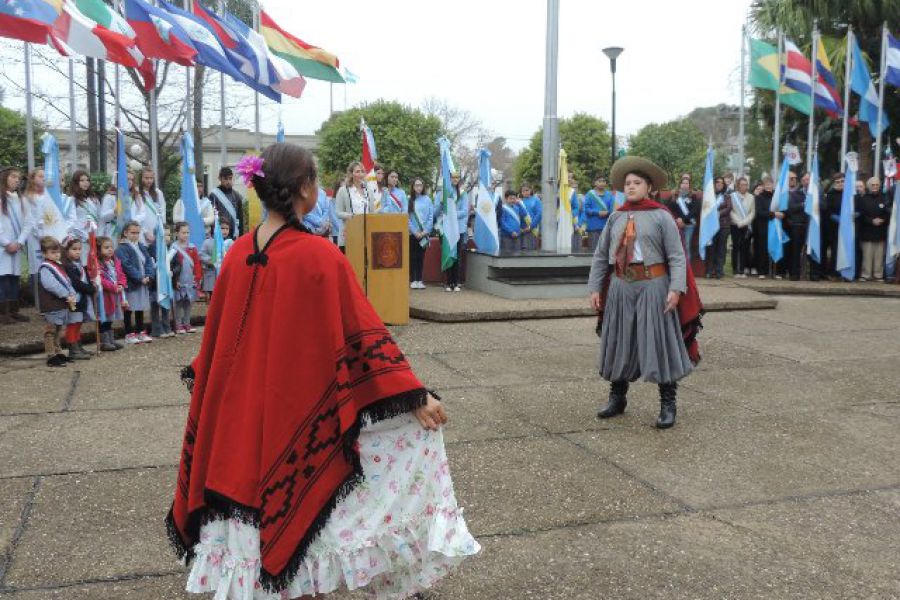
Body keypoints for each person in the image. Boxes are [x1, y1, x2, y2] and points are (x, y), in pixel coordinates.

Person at [166, 143, 479, 599]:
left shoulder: (235, 255)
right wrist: (413, 395)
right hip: (292, 417)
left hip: (235, 434)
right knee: (317, 515)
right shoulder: (320, 258)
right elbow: (364, 339)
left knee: (276, 538)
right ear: (306, 190)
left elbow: (217, 354)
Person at [588, 156, 701, 430]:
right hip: (620, 288)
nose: (631, 187)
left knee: (659, 342)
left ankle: (667, 404)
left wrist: (676, 288)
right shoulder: (615, 217)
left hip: (654, 286)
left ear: (649, 187)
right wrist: (594, 287)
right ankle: (617, 398)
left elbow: (676, 256)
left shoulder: (662, 215)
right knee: (618, 341)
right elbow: (602, 255)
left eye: (637, 182)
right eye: (627, 183)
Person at [37, 236, 76, 366]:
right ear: (44, 254)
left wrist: (71, 293)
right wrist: (65, 294)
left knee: (59, 330)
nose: (56, 255)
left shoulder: (57, 265)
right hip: (51, 304)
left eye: (58, 252)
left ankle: (58, 351)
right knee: (50, 331)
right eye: (52, 253)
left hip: (60, 304)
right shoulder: (45, 268)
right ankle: (51, 355)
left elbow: (66, 281)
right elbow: (51, 285)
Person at [0, 166, 30, 324]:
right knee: (3, 278)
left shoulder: (21, 199)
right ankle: (3, 313)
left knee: (14, 278)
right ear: (5, 178)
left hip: (16, 244)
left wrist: (19, 242)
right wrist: (6, 243)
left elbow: (28, 223)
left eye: (18, 178)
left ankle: (13, 310)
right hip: (2, 247)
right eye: (13, 177)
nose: (17, 180)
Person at [116, 221, 153, 344]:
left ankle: (140, 331)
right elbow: (127, 266)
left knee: (140, 307)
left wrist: (148, 275)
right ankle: (128, 333)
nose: (135, 235)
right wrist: (139, 277)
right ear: (125, 233)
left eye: (137, 233)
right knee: (129, 308)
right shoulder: (122, 248)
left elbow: (148, 260)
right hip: (131, 284)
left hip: (143, 281)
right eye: (132, 233)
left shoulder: (141, 245)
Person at [62, 237, 97, 360]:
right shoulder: (67, 266)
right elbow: (76, 283)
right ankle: (73, 349)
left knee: (78, 323)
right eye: (74, 249)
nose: (77, 252)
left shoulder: (80, 265)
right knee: (73, 324)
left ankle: (78, 345)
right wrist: (90, 289)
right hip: (74, 299)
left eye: (79, 249)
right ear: (66, 251)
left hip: (82, 299)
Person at [334, 161, 376, 250]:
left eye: (362, 171)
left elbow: (372, 212)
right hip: (349, 232)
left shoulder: (368, 190)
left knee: (364, 262)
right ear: (351, 174)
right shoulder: (343, 190)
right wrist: (352, 216)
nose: (360, 174)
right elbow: (338, 212)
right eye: (357, 171)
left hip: (365, 234)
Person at [169, 222, 201, 334]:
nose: (186, 235)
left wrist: (197, 277)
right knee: (178, 303)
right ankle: (178, 325)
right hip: (179, 280)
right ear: (177, 233)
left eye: (187, 232)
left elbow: (197, 263)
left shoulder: (192, 248)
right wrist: (174, 281)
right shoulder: (173, 248)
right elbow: (171, 265)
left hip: (190, 280)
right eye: (183, 232)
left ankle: (187, 323)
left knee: (188, 302)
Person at [96, 235, 126, 352]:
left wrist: (121, 284)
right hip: (105, 295)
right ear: (99, 250)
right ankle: (104, 341)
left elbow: (121, 274)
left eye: (111, 247)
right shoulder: (98, 264)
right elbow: (101, 280)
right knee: (104, 317)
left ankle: (110, 340)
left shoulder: (115, 261)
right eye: (106, 247)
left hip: (115, 294)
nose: (110, 249)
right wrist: (113, 287)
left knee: (110, 317)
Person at [858, 177, 891, 281]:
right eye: (873, 185)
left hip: (880, 231)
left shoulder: (884, 198)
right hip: (867, 231)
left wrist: (882, 220)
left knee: (879, 255)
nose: (875, 187)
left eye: (877, 185)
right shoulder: (864, 199)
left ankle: (878, 275)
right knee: (867, 255)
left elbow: (888, 213)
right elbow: (861, 215)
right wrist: (871, 221)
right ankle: (866, 274)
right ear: (869, 186)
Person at [148, 224, 175, 338]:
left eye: (168, 235)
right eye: (164, 234)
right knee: (155, 306)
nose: (166, 237)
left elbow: (176, 263)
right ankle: (156, 329)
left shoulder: (170, 247)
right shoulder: (152, 248)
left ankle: (166, 327)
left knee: (166, 306)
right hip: (155, 282)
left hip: (167, 281)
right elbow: (150, 263)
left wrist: (173, 271)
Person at [667, 174, 699, 264]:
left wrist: (683, 220)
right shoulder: (675, 195)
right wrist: (677, 219)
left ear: (689, 185)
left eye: (687, 183)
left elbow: (695, 210)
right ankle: (679, 266)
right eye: (683, 183)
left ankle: (687, 268)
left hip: (689, 224)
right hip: (677, 224)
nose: (685, 185)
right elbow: (668, 209)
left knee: (687, 245)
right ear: (680, 185)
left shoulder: (693, 196)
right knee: (678, 246)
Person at [704, 176, 732, 279]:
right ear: (714, 184)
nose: (719, 184)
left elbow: (729, 207)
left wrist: (718, 213)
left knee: (721, 249)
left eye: (721, 183)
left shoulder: (726, 196)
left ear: (724, 185)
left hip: (723, 226)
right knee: (711, 248)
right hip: (711, 226)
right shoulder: (709, 196)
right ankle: (709, 270)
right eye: (717, 182)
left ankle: (719, 271)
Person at [408, 177, 433, 289]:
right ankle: (413, 279)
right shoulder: (409, 199)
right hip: (413, 234)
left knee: (421, 257)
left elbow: (430, 217)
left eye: (420, 185)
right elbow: (407, 218)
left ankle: (420, 280)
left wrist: (425, 231)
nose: (418, 187)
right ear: (413, 187)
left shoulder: (427, 199)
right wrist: (415, 232)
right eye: (416, 185)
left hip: (424, 233)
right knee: (413, 257)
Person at [784, 171, 808, 281]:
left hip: (806, 225)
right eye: (790, 178)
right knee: (793, 251)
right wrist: (803, 204)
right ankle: (793, 273)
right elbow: (790, 208)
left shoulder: (806, 193)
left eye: (794, 178)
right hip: (792, 224)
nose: (793, 180)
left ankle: (802, 274)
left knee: (801, 251)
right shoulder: (792, 193)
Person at [730, 176, 755, 277]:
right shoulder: (732, 196)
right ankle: (735, 269)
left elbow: (752, 212)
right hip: (735, 225)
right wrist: (738, 222)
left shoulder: (751, 197)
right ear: (738, 186)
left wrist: (744, 222)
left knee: (745, 247)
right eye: (742, 185)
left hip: (746, 226)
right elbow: (731, 211)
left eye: (746, 185)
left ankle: (742, 269)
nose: (744, 187)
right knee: (736, 246)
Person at [199, 219, 230, 301]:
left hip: (225, 275)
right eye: (222, 228)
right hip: (211, 274)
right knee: (213, 298)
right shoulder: (208, 242)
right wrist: (211, 260)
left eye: (227, 229)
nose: (225, 231)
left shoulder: (230, 243)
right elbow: (201, 254)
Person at [821, 172, 845, 280]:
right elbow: (827, 210)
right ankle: (830, 273)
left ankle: (840, 272)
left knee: (842, 251)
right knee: (833, 251)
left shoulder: (849, 194)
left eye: (842, 181)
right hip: (832, 227)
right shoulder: (830, 194)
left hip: (845, 228)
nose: (840, 184)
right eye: (838, 182)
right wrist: (836, 218)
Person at [210, 167, 244, 239]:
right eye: (225, 179)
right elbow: (213, 216)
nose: (228, 181)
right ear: (220, 179)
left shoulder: (237, 195)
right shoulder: (214, 195)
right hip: (220, 233)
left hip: (234, 233)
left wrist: (241, 235)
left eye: (230, 178)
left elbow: (240, 217)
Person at [70, 170, 101, 251]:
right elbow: (72, 221)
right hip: (80, 239)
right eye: (82, 180)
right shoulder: (72, 200)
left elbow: (99, 218)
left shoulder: (94, 199)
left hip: (95, 237)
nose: (86, 183)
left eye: (87, 180)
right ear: (76, 182)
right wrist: (85, 237)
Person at [135, 168, 166, 246]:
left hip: (157, 231)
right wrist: (145, 232)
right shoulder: (136, 192)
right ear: (141, 178)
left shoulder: (158, 193)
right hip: (141, 232)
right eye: (146, 178)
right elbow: (136, 214)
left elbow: (162, 211)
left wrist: (162, 229)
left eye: (151, 178)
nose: (149, 180)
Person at [582, 176, 613, 252]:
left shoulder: (609, 195)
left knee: (605, 250)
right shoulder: (590, 194)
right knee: (593, 250)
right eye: (599, 181)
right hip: (593, 227)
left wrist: (608, 212)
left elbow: (613, 208)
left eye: (604, 181)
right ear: (595, 183)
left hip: (606, 227)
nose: (602, 183)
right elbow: (586, 209)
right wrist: (597, 212)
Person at [752, 176, 775, 278]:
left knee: (774, 248)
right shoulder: (759, 197)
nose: (769, 186)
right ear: (763, 185)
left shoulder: (776, 196)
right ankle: (762, 271)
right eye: (767, 184)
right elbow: (759, 212)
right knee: (762, 249)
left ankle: (775, 271)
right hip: (763, 226)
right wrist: (773, 214)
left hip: (774, 226)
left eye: (770, 184)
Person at [519, 184, 541, 250]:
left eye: (527, 190)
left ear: (530, 190)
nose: (525, 192)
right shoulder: (520, 202)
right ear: (521, 192)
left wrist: (530, 227)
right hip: (521, 230)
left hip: (532, 229)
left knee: (531, 251)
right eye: (523, 191)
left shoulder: (536, 200)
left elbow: (539, 214)